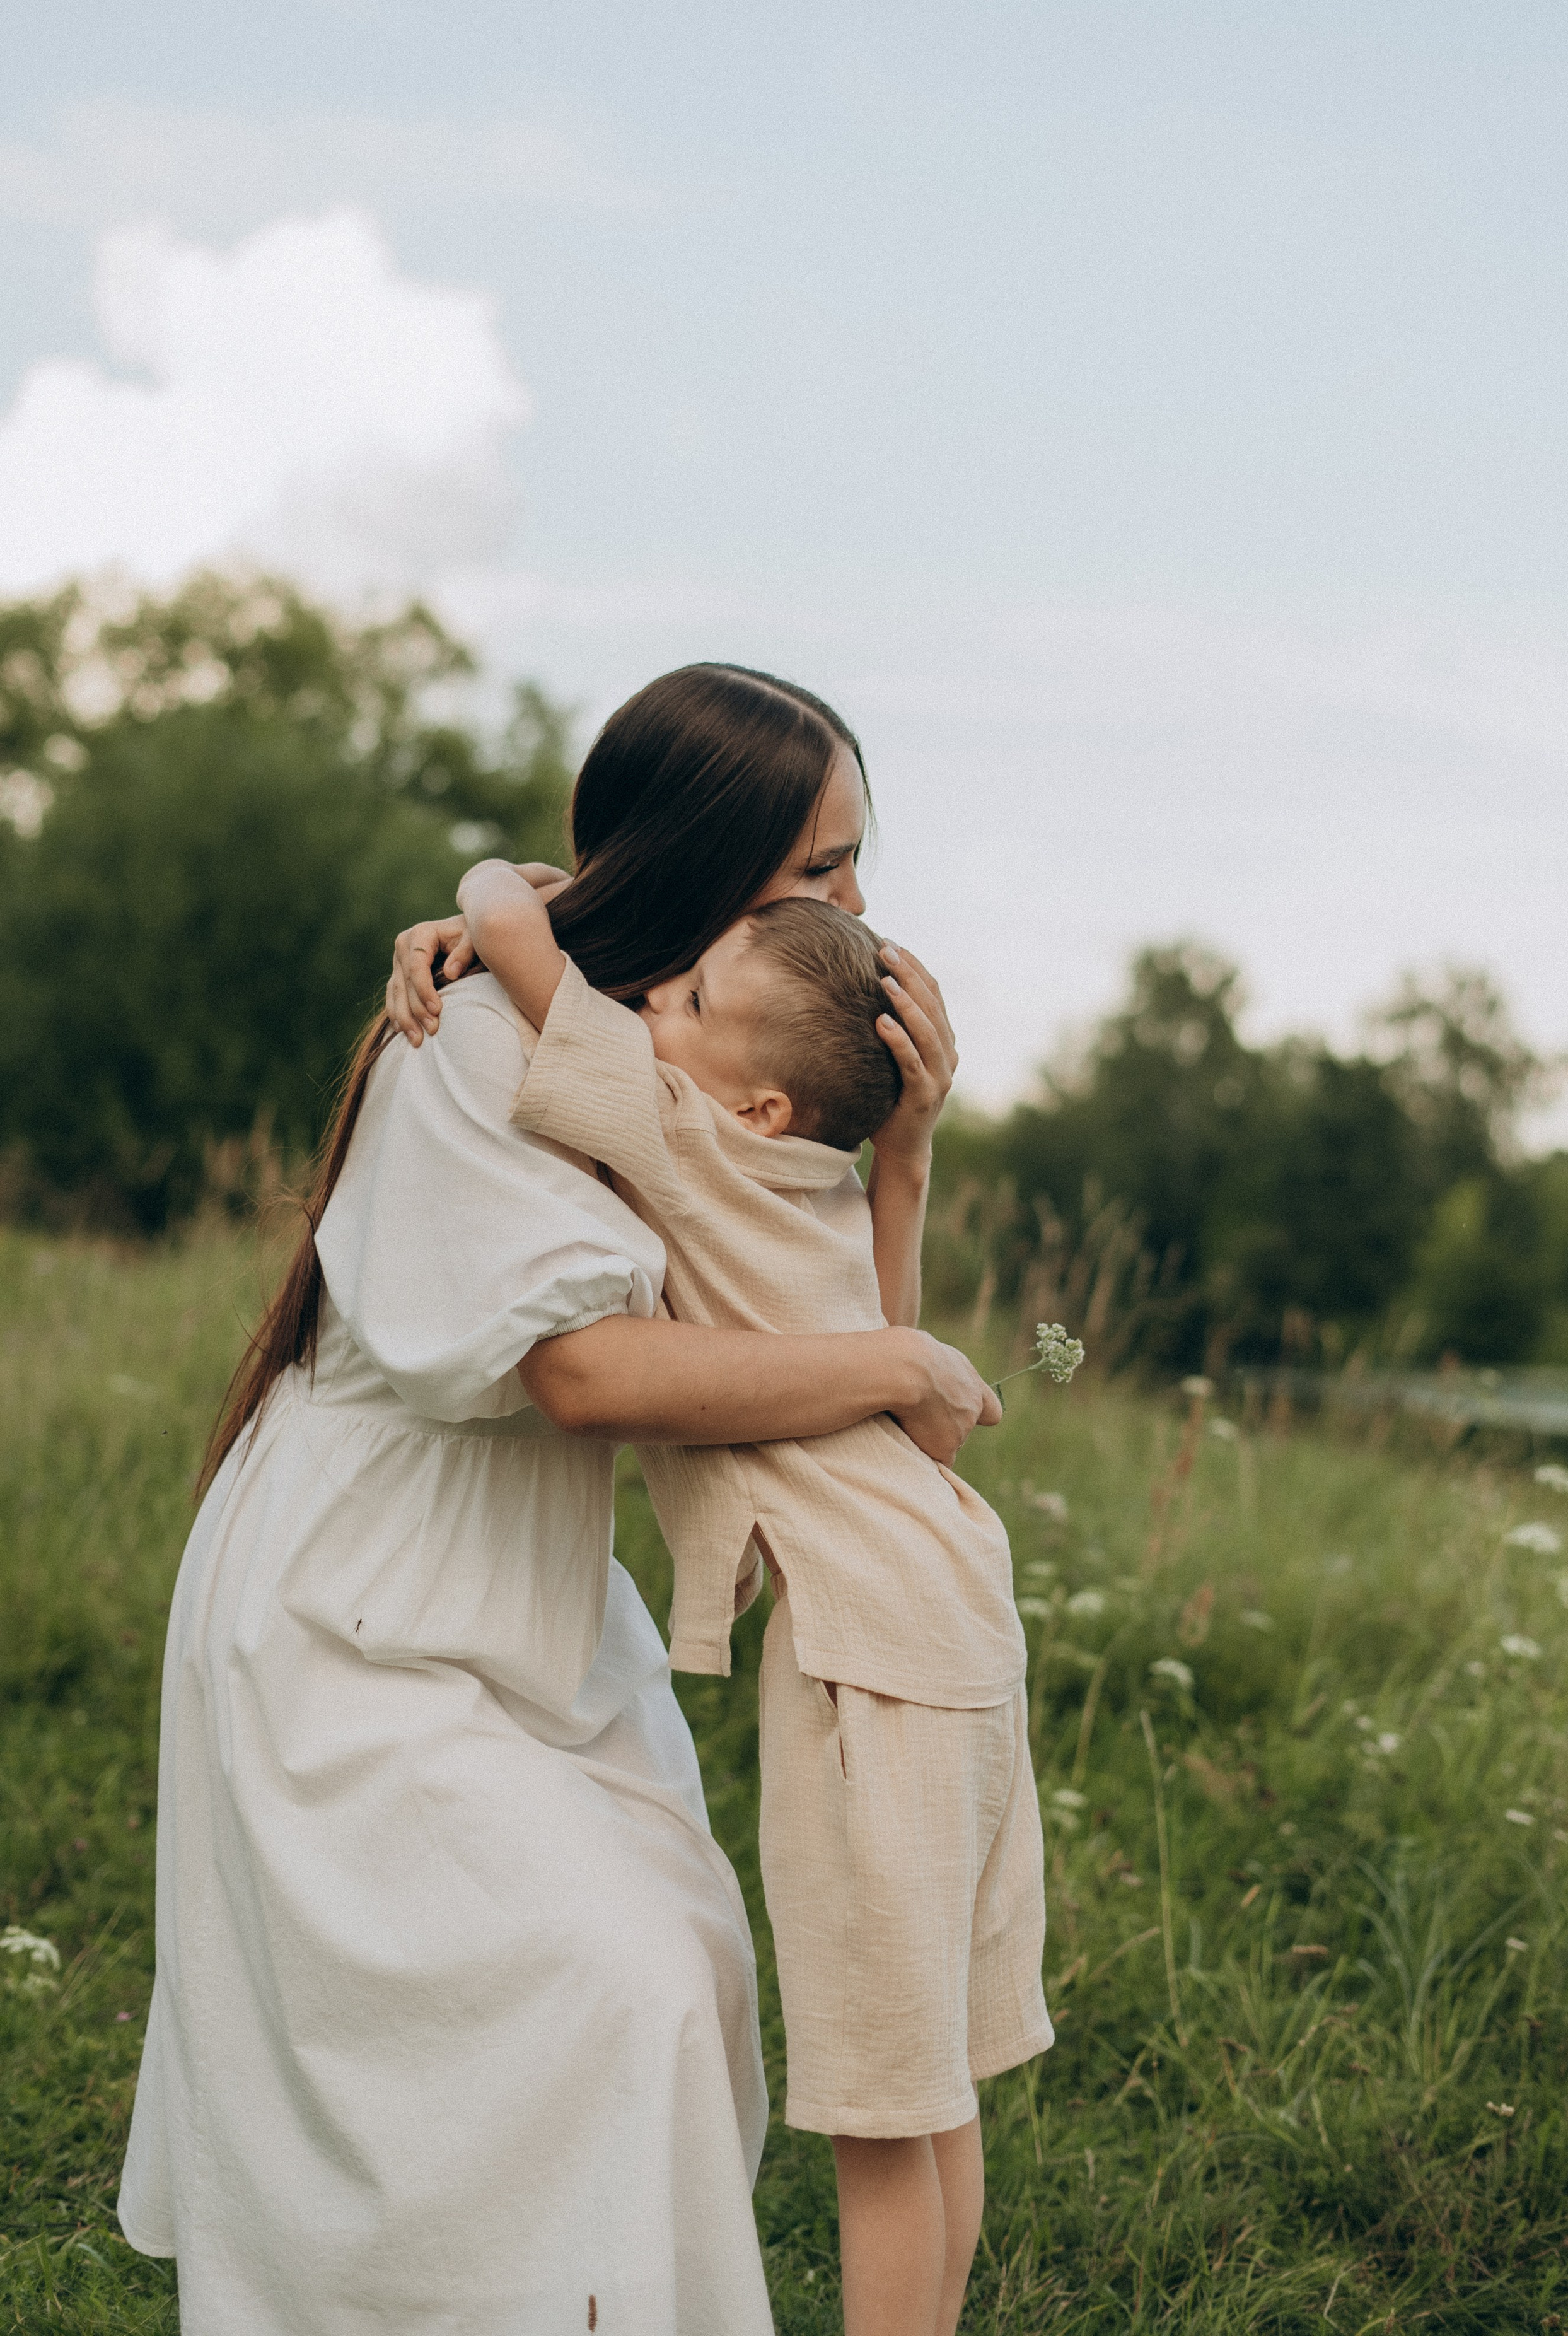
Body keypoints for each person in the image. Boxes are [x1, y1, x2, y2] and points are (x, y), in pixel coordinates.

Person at [117, 664, 1001, 2336]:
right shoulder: (480, 1041)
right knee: (605, 1987)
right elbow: (583, 1376)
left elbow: (828, 1353)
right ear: (703, 861)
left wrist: (901, 1158)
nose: (856, 908)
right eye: (820, 865)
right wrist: (902, 1365)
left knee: (687, 1976)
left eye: (855, 863)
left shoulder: (697, 1068)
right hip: (362, 1603)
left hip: (537, 1606)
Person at [443, 861, 1052, 2336]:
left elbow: (504, 918)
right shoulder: (817, 1178)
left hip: (869, 1648)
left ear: (760, 1104)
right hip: (952, 1604)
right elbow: (893, 1357)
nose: (653, 994)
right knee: (935, 2077)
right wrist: (907, 1151)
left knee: (879, 2105)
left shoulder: (679, 1129)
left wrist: (545, 890)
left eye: (692, 992)